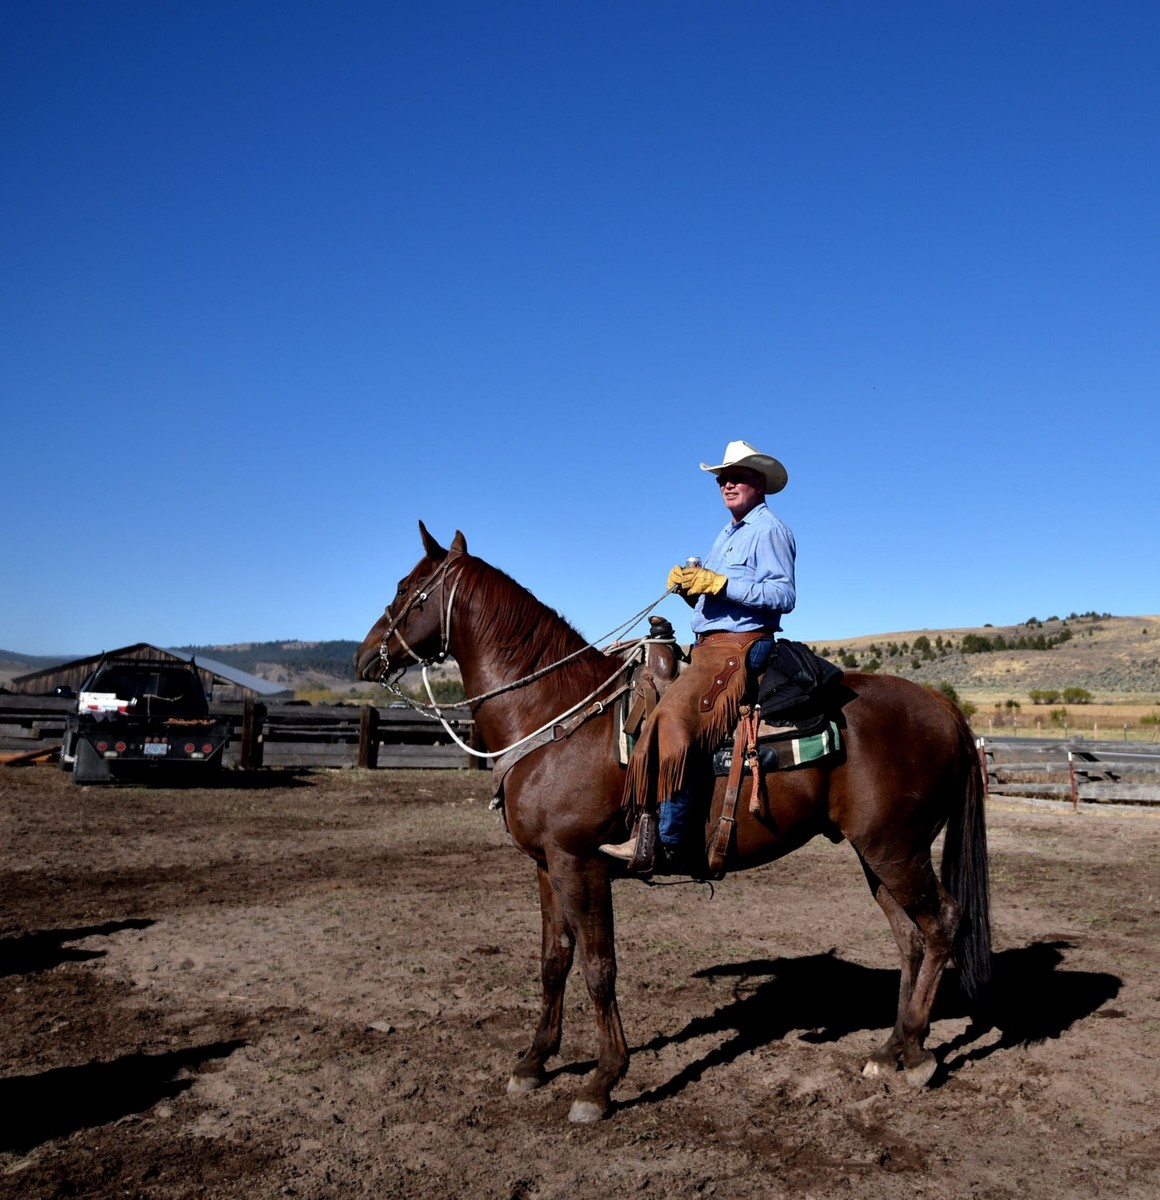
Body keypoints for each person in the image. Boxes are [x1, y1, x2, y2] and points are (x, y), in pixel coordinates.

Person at [600, 439, 796, 873]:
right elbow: (716, 606)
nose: (727, 484)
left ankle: (665, 841)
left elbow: (784, 595)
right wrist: (693, 590)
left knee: (674, 717)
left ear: (758, 483)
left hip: (740, 647)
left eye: (737, 476)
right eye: (722, 479)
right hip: (711, 643)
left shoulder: (770, 530)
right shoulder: (726, 534)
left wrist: (720, 584)